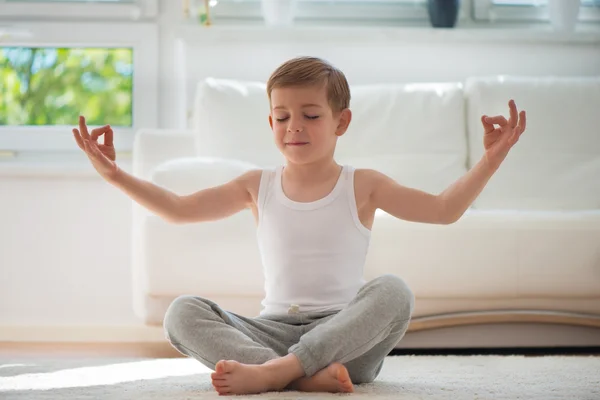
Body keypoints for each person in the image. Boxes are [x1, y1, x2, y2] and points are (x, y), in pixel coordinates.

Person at [73, 56, 526, 396]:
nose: (295, 127)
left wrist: (491, 159)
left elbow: (443, 209)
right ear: (271, 121)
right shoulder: (257, 185)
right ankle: (303, 378)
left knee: (394, 291)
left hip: (344, 337)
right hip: (270, 330)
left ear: (340, 121)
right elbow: (177, 208)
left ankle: (277, 375)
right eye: (283, 116)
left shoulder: (363, 184)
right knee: (181, 312)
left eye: (311, 115)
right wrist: (115, 173)